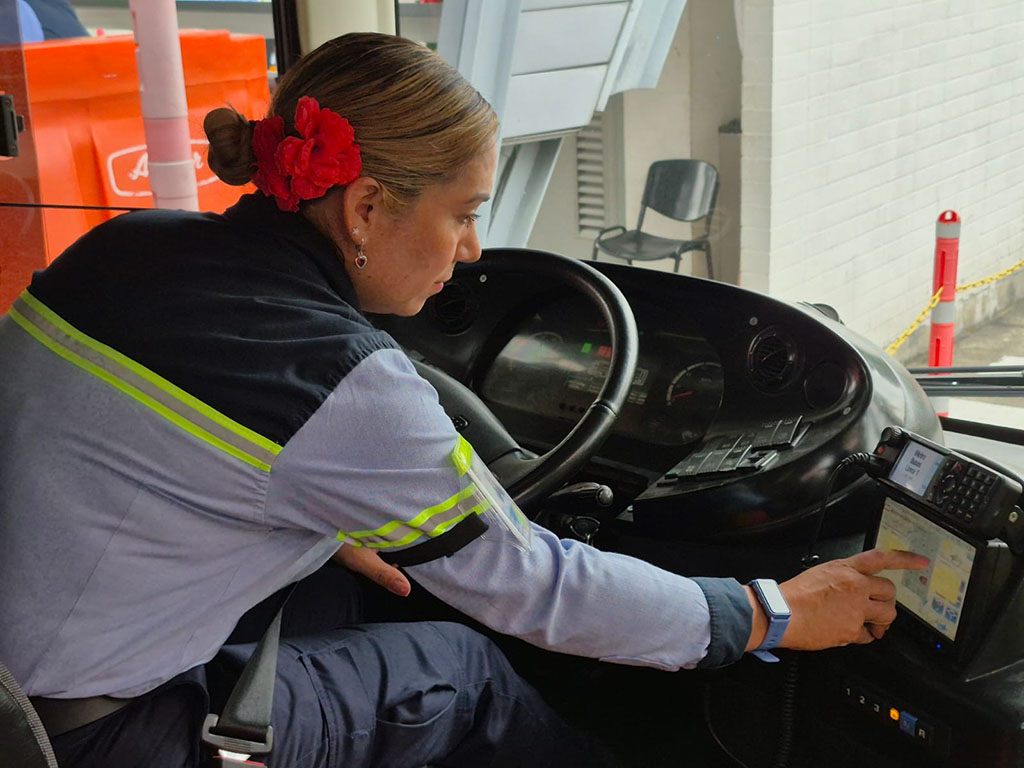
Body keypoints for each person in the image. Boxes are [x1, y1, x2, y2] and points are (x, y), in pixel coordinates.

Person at [0, 31, 927, 768]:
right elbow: (537, 586)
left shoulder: (125, 248)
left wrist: (317, 523)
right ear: (364, 209)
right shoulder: (342, 384)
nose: (474, 251)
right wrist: (772, 612)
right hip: (93, 737)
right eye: (465, 212)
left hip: (23, 677)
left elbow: (130, 459)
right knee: (466, 671)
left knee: (352, 581)